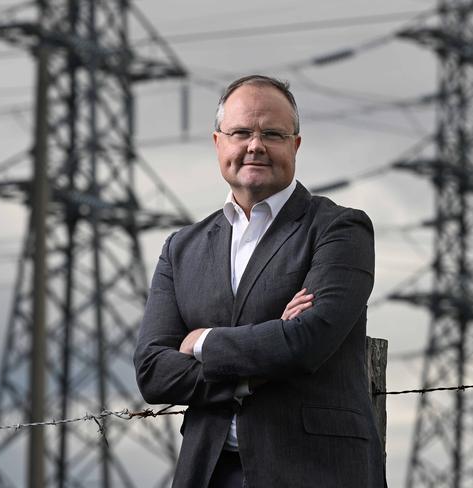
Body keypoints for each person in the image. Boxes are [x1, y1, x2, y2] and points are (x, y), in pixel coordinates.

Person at [134, 74, 385, 488]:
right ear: (218, 143)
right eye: (241, 132)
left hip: (316, 472)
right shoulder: (182, 248)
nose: (255, 145)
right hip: (211, 472)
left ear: (295, 145)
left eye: (272, 133)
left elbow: (308, 342)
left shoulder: (339, 229)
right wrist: (254, 371)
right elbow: (152, 371)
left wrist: (201, 343)